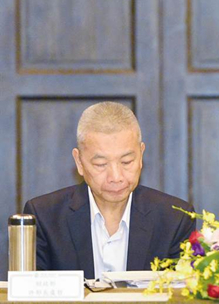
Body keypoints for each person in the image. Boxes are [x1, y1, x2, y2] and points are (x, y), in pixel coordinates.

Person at [24, 102, 196, 279]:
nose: (116, 176)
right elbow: (29, 290)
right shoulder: (44, 217)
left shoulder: (175, 219)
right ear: (79, 162)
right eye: (101, 164)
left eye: (127, 162)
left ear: (141, 155)